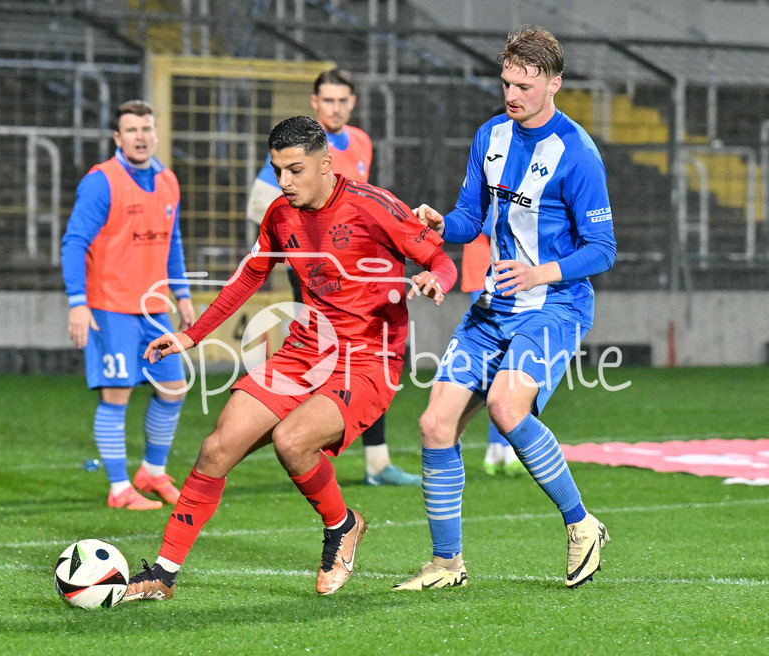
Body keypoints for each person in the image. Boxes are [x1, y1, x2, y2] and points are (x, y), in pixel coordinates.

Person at [123, 115, 456, 599]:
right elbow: (246, 278)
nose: (284, 182)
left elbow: (441, 260)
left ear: (325, 163)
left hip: (368, 359)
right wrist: (191, 336)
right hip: (305, 350)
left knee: (292, 440)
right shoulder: (281, 214)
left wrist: (436, 282)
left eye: (295, 170)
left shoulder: (375, 206)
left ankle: (341, 525)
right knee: (216, 449)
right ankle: (162, 575)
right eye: (278, 170)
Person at [396, 25, 616, 590]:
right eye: (506, 83)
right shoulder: (490, 136)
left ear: (554, 83)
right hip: (493, 309)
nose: (511, 94)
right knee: (434, 423)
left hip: (554, 308)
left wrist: (539, 272)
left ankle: (582, 525)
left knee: (506, 407)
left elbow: (603, 250)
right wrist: (443, 225)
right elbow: (473, 218)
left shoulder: (578, 154)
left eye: (523, 84)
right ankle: (447, 564)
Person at [246, 68, 419, 488]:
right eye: (328, 100)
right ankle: (298, 439)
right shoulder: (296, 145)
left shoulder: (360, 142)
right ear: (314, 103)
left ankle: (374, 461)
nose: (335, 108)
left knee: (373, 357)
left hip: (358, 275)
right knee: (327, 358)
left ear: (352, 103)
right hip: (314, 276)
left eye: (343, 100)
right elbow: (260, 202)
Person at [61, 99, 196, 510]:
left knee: (173, 388)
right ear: (118, 138)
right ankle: (119, 488)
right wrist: (77, 303)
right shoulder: (102, 182)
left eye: (147, 129)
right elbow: (74, 243)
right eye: (132, 130)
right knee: (117, 393)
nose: (141, 136)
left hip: (154, 310)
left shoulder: (168, 181)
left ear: (156, 134)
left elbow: (172, 242)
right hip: (110, 309)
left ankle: (151, 473)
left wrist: (183, 294)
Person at [461, 225, 525, 477]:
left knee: (496, 364)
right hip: (495, 274)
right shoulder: (496, 184)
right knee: (507, 364)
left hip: (488, 272)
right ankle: (506, 447)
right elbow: (494, 221)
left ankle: (497, 448)